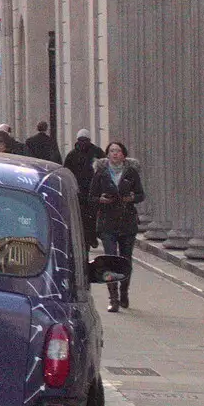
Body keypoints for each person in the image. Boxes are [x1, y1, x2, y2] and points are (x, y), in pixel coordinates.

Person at [90, 141, 145, 313]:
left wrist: (131, 198)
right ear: (107, 154)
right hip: (107, 222)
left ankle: (124, 292)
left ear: (123, 154)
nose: (115, 154)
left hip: (127, 222)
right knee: (111, 260)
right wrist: (101, 199)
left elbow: (141, 194)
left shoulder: (131, 172)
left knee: (126, 258)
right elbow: (91, 196)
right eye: (112, 151)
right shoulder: (101, 173)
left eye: (118, 151)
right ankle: (113, 298)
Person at [64, 130, 105, 247]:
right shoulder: (96, 152)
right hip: (86, 190)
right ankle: (89, 238)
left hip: (84, 190)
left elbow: (67, 172)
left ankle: (88, 238)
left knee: (85, 217)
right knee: (89, 216)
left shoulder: (73, 154)